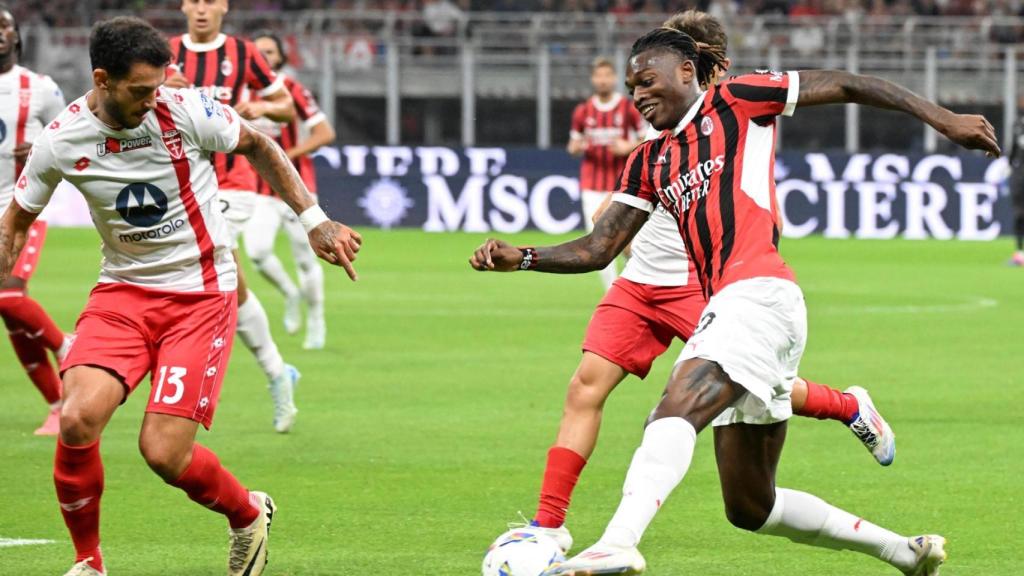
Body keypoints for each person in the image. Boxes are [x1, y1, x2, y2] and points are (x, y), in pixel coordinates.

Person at [471, 27, 998, 576]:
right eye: (631, 88)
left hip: (760, 293)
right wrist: (524, 257)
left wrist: (944, 119)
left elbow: (844, 84)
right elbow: (599, 247)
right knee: (750, 505)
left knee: (674, 406)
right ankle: (902, 552)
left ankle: (619, 540)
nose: (638, 95)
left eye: (647, 81)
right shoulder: (649, 161)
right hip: (734, 304)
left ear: (687, 73)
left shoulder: (739, 100)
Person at [0, 17, 361, 576]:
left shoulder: (188, 108)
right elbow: (18, 217)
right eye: (141, 90)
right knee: (77, 419)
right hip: (121, 293)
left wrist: (314, 219)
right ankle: (89, 563)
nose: (154, 99)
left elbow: (260, 144)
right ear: (102, 79)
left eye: (160, 84)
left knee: (163, 453)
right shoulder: (62, 139)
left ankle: (247, 514)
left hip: (200, 296)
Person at [165, 0, 302, 433]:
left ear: (223, 6)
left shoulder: (243, 53)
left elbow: (285, 107)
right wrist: (163, 88)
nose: (202, 9)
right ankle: (279, 371)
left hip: (231, 182)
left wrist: (255, 109)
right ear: (183, 6)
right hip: (181, 179)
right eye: (195, 1)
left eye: (211, 1)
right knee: (229, 277)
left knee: (215, 262)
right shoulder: (164, 52)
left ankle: (256, 373)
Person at [0, 3, 72, 435]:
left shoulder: (39, 87)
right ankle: (58, 403)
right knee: (10, 314)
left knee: (7, 295)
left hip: (21, 204)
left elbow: (70, 134)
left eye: (4, 25)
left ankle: (67, 345)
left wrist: (43, 146)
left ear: (16, 36)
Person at [247, 30, 334, 350]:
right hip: (259, 189)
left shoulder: (293, 90)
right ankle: (290, 293)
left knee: (308, 260)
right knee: (256, 253)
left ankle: (316, 319)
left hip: (299, 189)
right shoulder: (242, 93)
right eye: (258, 53)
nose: (264, 57)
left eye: (270, 52)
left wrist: (284, 158)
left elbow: (324, 133)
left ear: (281, 57)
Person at [568, 56, 643, 290]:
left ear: (614, 78)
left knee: (627, 241)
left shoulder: (628, 108)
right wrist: (577, 147)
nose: (603, 80)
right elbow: (572, 145)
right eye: (599, 76)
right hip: (591, 184)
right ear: (593, 79)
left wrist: (627, 146)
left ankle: (640, 279)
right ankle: (612, 293)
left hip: (622, 184)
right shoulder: (583, 111)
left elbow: (647, 140)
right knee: (597, 241)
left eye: (607, 75)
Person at [1006, 110, 1024, 266]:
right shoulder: (1018, 125)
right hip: (1020, 176)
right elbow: (1012, 154)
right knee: (1019, 215)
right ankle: (1020, 254)